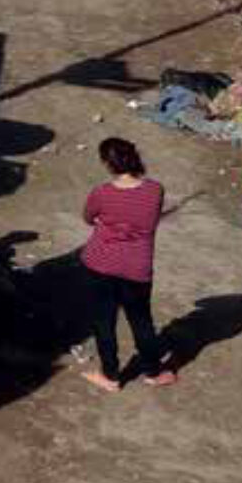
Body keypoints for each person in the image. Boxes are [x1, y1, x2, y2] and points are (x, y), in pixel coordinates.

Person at [79, 136, 175, 391]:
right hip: (137, 267)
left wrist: (106, 223)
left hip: (99, 263)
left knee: (103, 322)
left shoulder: (101, 193)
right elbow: (150, 221)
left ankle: (110, 376)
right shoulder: (155, 190)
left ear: (107, 164)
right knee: (141, 320)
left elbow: (89, 217)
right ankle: (153, 372)